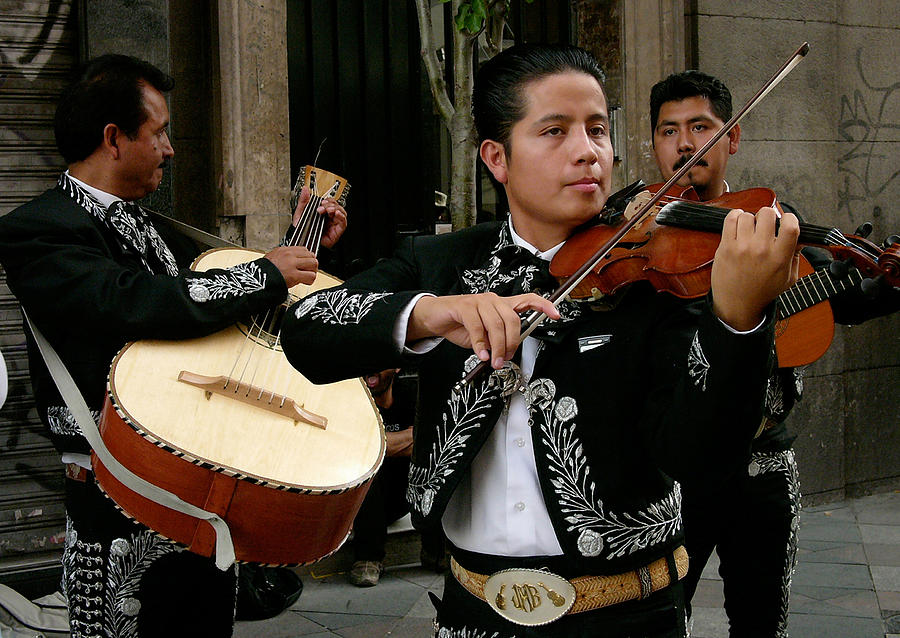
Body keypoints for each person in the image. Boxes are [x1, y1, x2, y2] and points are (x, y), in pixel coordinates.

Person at [280, 43, 800, 637]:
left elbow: (698, 456)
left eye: (598, 130)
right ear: (497, 158)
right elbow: (308, 329)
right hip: (473, 611)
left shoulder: (654, 282)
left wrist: (737, 321)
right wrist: (431, 313)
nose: (588, 152)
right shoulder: (440, 263)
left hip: (628, 615)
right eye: (555, 131)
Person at [0, 54, 346, 637]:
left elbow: (218, 316)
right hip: (115, 492)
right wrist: (264, 272)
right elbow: (127, 302)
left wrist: (303, 246)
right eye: (159, 132)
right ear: (113, 139)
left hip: (198, 494)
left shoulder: (157, 228)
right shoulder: (40, 228)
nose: (170, 148)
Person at [649, 69, 899, 638]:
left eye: (701, 128)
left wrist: (885, 277)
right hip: (672, 476)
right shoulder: (635, 237)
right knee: (662, 620)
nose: (685, 144)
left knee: (763, 623)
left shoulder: (773, 229)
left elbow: (846, 295)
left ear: (732, 137)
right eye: (669, 131)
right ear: (654, 143)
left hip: (763, 467)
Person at [348, 368, 446, 587]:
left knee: (434, 462)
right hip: (368, 502)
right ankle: (367, 559)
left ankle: (435, 551)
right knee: (370, 469)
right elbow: (358, 447)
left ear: (395, 367)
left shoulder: (413, 393)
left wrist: (381, 443)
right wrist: (410, 439)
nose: (369, 369)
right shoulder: (353, 400)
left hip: (408, 490)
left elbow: (431, 439)